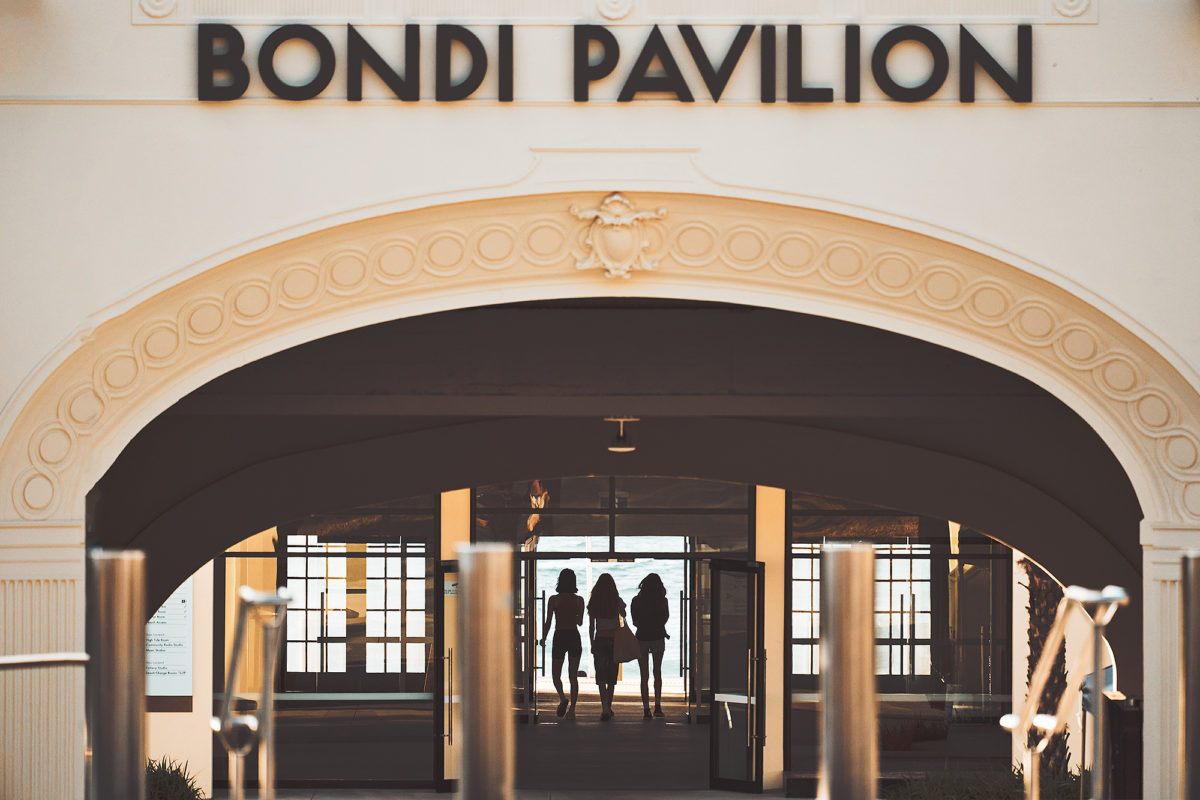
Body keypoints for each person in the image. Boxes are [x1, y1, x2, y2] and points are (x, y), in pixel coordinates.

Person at [539, 568, 584, 718]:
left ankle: (563, 698)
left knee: (556, 675)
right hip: (573, 636)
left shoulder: (554, 599)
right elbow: (580, 622)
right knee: (573, 677)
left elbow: (548, 622)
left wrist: (543, 638)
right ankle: (572, 710)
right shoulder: (579, 600)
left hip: (559, 636)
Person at [587, 572, 626, 720]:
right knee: (611, 677)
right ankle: (608, 707)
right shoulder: (616, 600)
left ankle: (604, 707)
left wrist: (592, 643)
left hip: (600, 639)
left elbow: (591, 626)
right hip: (614, 641)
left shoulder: (594, 601)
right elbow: (624, 614)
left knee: (601, 676)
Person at [631, 572, 670, 719]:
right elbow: (665, 618)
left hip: (641, 637)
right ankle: (658, 706)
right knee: (657, 672)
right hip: (658, 637)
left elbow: (635, 621)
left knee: (644, 675)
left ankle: (646, 709)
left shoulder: (636, 600)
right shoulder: (662, 600)